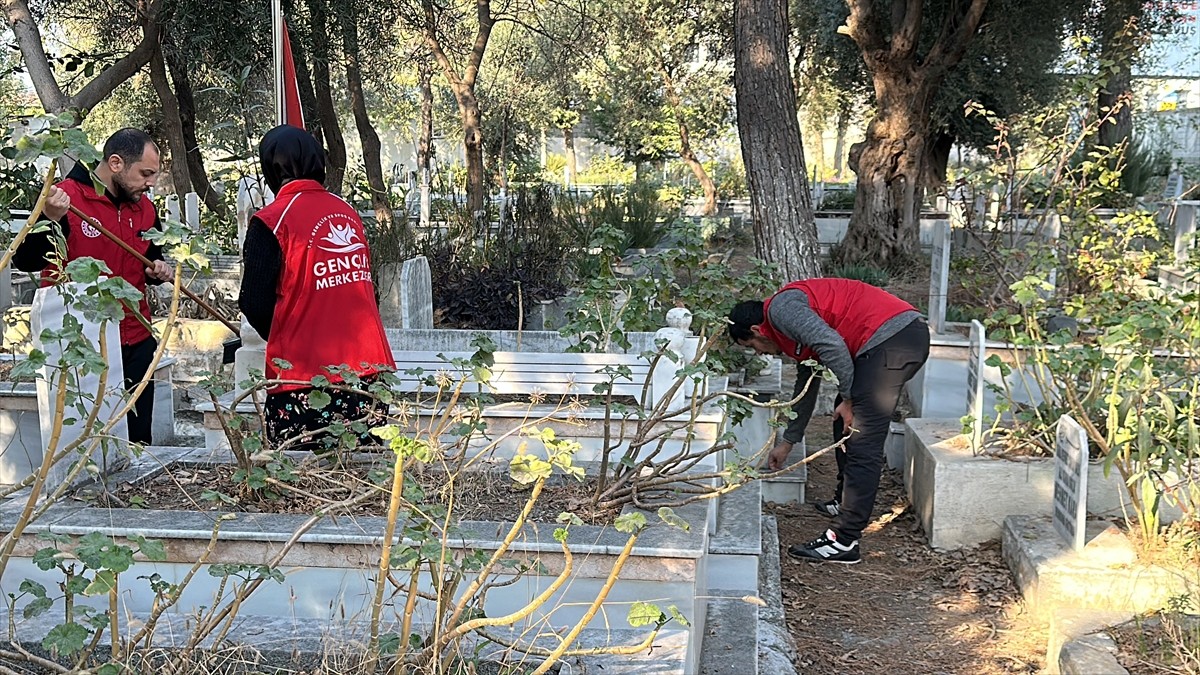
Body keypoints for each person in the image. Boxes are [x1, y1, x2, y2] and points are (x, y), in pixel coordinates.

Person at [728, 278, 930, 564]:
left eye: (751, 346)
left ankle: (845, 541)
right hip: (895, 337)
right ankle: (842, 500)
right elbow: (806, 384)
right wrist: (788, 442)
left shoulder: (781, 310)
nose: (758, 353)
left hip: (892, 339)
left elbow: (833, 345)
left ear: (756, 330)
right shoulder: (788, 328)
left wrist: (851, 399)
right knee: (842, 416)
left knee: (861, 437)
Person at [238, 125, 395, 454]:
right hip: (369, 371)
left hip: (305, 376)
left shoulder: (272, 221)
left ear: (270, 168)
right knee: (362, 475)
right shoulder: (348, 213)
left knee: (301, 478)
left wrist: (287, 333)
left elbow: (253, 302)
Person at [15, 128, 173, 445]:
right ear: (116, 163)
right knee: (85, 441)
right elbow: (26, 260)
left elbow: (151, 257)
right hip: (84, 342)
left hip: (137, 336)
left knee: (138, 440)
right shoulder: (64, 198)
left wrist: (159, 270)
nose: (151, 183)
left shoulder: (145, 209)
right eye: (145, 173)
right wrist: (50, 218)